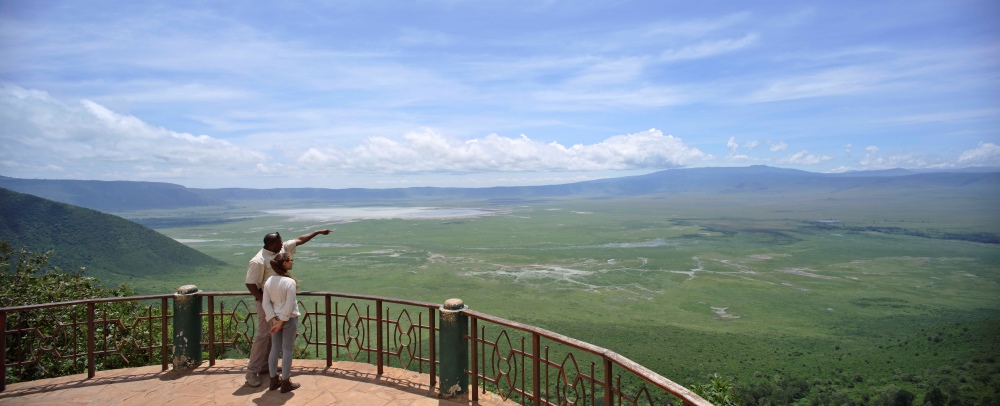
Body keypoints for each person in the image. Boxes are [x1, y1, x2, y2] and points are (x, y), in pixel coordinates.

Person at [244, 229, 332, 387]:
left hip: (278, 303)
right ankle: (252, 371)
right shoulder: (258, 260)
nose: (282, 244)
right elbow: (251, 284)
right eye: (279, 242)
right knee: (264, 336)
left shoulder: (280, 249)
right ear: (271, 244)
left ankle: (267, 369)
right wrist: (267, 305)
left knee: (273, 341)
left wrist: (317, 232)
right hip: (268, 302)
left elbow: (299, 239)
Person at [263, 252, 300, 392]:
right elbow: (290, 305)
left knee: (274, 349)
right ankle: (285, 382)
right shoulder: (289, 282)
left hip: (275, 319)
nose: (292, 262)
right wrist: (282, 321)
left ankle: (273, 380)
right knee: (287, 349)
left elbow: (266, 304)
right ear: (284, 263)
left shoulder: (269, 281)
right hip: (288, 319)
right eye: (291, 260)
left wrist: (274, 320)